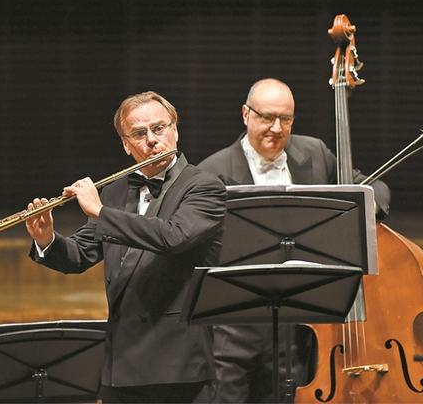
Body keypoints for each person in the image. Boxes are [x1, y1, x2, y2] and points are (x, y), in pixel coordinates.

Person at [25, 91, 227, 403]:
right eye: (139, 133)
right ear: (125, 144)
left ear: (175, 130)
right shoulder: (116, 192)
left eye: (159, 128)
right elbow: (80, 255)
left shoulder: (204, 186)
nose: (152, 140)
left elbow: (173, 237)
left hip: (179, 364)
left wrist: (100, 212)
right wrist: (46, 239)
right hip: (121, 362)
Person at [198, 78, 391, 403]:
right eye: (266, 117)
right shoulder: (211, 172)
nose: (276, 128)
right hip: (235, 331)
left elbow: (369, 187)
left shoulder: (314, 153)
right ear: (245, 114)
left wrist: (367, 209)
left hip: (298, 330)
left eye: (285, 119)